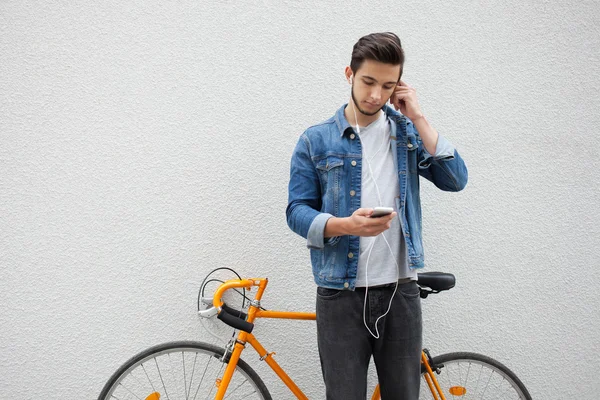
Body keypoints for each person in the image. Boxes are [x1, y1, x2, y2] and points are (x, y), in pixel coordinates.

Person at [286, 32, 468, 399]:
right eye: (368, 81)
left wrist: (416, 115)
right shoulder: (315, 140)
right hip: (340, 294)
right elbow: (296, 211)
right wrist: (345, 225)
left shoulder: (407, 134)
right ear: (349, 74)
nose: (375, 95)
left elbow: (455, 179)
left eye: (387, 86)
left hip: (400, 291)